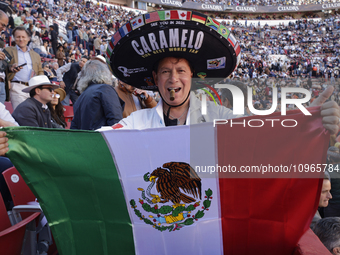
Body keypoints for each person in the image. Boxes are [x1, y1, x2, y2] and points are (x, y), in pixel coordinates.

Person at [70, 60, 123, 130]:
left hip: (85, 139)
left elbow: (74, 127)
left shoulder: (81, 97)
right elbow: (115, 119)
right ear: (104, 73)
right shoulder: (105, 89)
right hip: (102, 138)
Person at [4, 26, 44, 110]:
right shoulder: (8, 50)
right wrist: (10, 68)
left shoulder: (36, 55)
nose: (21, 39)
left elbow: (40, 71)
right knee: (22, 113)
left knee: (32, 114)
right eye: (18, 37)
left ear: (29, 38)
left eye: (23, 37)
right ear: (14, 38)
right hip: (17, 87)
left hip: (33, 88)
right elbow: (2, 67)